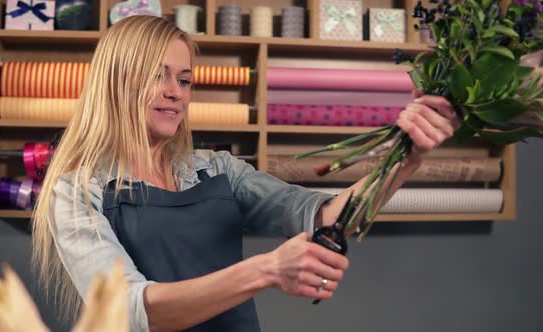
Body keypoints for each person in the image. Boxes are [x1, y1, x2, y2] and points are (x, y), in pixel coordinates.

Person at [32, 15, 460, 332]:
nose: (174, 93)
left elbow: (325, 217)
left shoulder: (217, 171)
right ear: (115, 81)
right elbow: (127, 311)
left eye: (185, 80)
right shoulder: (76, 190)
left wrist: (407, 155)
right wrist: (266, 270)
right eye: (156, 76)